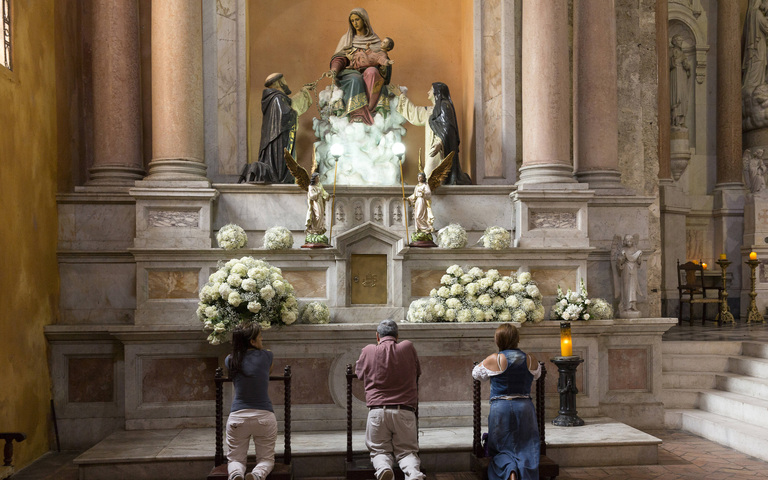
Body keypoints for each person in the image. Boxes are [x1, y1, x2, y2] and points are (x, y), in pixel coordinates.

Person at [355, 319, 425, 480]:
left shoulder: (368, 350)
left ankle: (383, 468)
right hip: (404, 411)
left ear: (377, 336)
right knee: (407, 451)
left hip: (377, 411)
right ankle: (413, 473)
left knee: (379, 451)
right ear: (397, 336)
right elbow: (417, 372)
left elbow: (359, 374)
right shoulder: (408, 347)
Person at [472, 323, 541, 480]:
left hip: (501, 407)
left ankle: (509, 472)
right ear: (517, 339)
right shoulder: (531, 359)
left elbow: (476, 373)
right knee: (527, 447)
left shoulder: (494, 359)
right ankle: (524, 472)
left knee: (500, 448)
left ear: (498, 340)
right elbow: (537, 375)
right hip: (525, 408)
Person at [238, 73, 312, 184]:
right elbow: (286, 114)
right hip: (279, 139)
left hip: (275, 137)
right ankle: (281, 178)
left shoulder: (274, 99)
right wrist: (293, 112)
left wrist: (303, 92)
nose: (286, 83)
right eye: (284, 80)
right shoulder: (277, 98)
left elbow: (290, 106)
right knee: (282, 163)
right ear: (279, 82)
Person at [393, 82, 472, 184]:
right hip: (434, 149)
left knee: (430, 176)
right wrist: (401, 96)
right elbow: (415, 113)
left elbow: (448, 127)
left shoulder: (444, 106)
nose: (428, 92)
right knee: (429, 177)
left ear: (437, 92)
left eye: (430, 89)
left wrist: (440, 143)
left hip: (441, 150)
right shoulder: (432, 110)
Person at [224, 324, 276, 480]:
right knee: (266, 459)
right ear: (252, 341)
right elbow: (267, 372)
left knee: (235, 459)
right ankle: (257, 475)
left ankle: (235, 475)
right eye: (260, 336)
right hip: (264, 416)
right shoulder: (267, 356)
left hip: (237, 417)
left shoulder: (230, 360)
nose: (262, 339)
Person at [329, 8, 391, 125]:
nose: (355, 23)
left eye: (357, 19)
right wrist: (334, 70)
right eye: (352, 21)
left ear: (364, 20)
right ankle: (357, 114)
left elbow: (381, 57)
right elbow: (339, 58)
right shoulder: (347, 39)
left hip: (369, 72)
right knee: (356, 79)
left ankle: (370, 109)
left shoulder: (375, 40)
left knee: (372, 72)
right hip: (349, 72)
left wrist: (384, 66)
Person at [742, 0, 768, 94]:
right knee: (758, 63)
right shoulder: (757, 13)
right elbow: (766, 27)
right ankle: (754, 85)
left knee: (759, 64)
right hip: (758, 46)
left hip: (759, 44)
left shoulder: (754, 13)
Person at [616, 234, 642, 313]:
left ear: (633, 241)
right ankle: (626, 306)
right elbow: (619, 262)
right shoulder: (623, 249)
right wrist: (623, 257)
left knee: (633, 287)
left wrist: (639, 257)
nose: (629, 242)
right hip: (626, 269)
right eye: (627, 241)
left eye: (630, 241)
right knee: (626, 287)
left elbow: (639, 263)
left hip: (633, 269)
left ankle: (633, 305)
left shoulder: (635, 249)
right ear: (625, 241)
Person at [669, 35, 691, 128]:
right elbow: (668, 63)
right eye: (679, 40)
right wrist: (677, 60)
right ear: (674, 41)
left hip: (682, 75)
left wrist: (687, 66)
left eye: (681, 40)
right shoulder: (671, 51)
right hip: (675, 74)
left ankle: (681, 120)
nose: (681, 41)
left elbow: (687, 67)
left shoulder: (682, 53)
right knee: (676, 95)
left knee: (683, 96)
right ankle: (675, 120)